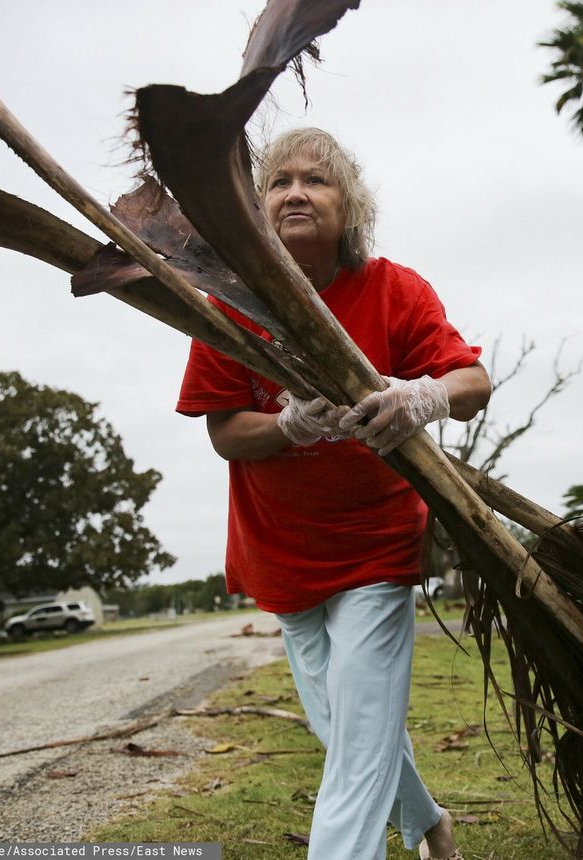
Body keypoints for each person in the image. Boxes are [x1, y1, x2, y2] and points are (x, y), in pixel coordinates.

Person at [176, 127, 490, 860]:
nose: (294, 192)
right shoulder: (229, 307)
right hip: (281, 554)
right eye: (280, 181)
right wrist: (287, 424)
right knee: (347, 724)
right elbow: (225, 432)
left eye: (315, 181)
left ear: (350, 208)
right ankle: (429, 821)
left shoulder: (395, 289)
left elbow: (472, 382)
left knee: (353, 749)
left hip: (376, 547)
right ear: (258, 210)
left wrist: (423, 396)